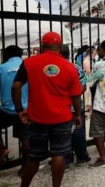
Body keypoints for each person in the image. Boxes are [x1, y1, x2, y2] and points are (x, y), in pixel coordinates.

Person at [12, 32, 82, 187]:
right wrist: (77, 114)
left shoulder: (29, 63)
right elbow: (75, 95)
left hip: (37, 117)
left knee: (34, 156)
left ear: (43, 45)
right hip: (62, 117)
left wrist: (19, 109)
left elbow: (16, 86)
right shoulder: (69, 67)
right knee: (58, 154)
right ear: (60, 46)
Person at [0, 45, 29, 176]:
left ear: (6, 55)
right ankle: (25, 168)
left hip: (6, 110)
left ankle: (3, 149)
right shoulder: (28, 65)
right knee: (25, 139)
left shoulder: (1, 68)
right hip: (25, 109)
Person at [60, 45, 91, 167]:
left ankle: (65, 160)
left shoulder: (53, 69)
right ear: (69, 54)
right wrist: (73, 94)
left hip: (59, 107)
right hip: (75, 105)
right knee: (78, 131)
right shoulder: (76, 68)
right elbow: (83, 86)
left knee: (62, 133)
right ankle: (81, 157)